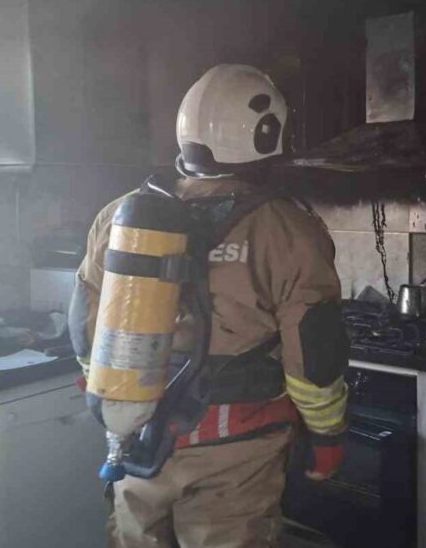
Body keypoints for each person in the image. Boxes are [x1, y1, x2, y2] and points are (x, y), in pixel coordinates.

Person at [69, 65, 348, 548]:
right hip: (236, 450)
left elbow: (84, 323)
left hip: (140, 441)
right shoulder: (286, 228)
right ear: (268, 135)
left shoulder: (121, 214)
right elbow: (314, 353)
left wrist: (117, 401)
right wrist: (327, 437)